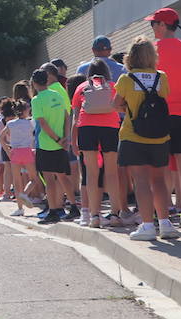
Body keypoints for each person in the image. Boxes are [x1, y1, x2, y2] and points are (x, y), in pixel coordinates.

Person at [112, 38, 177, 241]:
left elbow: (116, 104)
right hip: (159, 137)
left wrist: (128, 108)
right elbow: (164, 96)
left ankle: (148, 225)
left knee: (141, 180)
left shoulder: (126, 79)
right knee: (159, 180)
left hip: (133, 136)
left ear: (131, 56)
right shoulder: (161, 77)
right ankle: (165, 223)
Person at [146, 7, 181, 226]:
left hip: (160, 113)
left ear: (162, 25)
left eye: (153, 24)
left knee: (161, 164)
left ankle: (165, 210)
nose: (152, 29)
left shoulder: (152, 50)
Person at [72, 60, 123, 228]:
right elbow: (120, 107)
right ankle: (115, 215)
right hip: (109, 128)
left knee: (91, 174)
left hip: (87, 128)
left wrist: (74, 140)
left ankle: (94, 216)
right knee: (111, 173)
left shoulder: (81, 87)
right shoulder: (113, 86)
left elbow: (75, 117)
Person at [30, 69, 73, 226]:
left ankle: (53, 210)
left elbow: (42, 123)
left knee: (49, 180)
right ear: (47, 80)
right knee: (63, 176)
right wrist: (65, 137)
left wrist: (56, 139)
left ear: (34, 83)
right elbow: (67, 116)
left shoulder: (36, 100)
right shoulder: (58, 95)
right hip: (61, 143)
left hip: (47, 144)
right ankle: (73, 206)